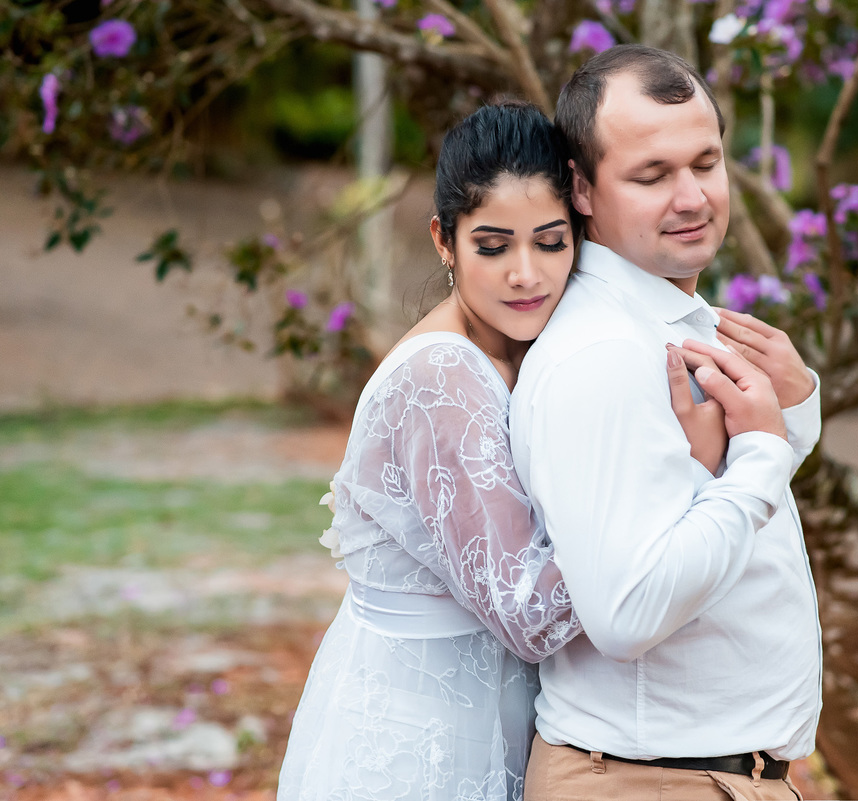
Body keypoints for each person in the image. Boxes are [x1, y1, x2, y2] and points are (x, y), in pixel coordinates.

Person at [276, 100, 713, 801]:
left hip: (495, 725)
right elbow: (529, 613)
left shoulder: (532, 351)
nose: (525, 273)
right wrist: (686, 471)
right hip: (421, 745)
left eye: (549, 241)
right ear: (443, 240)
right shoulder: (440, 377)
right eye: (493, 244)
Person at [509, 46, 822, 801]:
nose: (693, 197)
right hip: (649, 781)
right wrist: (758, 452)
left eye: (705, 163)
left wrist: (793, 409)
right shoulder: (606, 353)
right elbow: (626, 611)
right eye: (652, 176)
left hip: (705, 777)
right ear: (581, 188)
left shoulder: (675, 318)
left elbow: (725, 512)